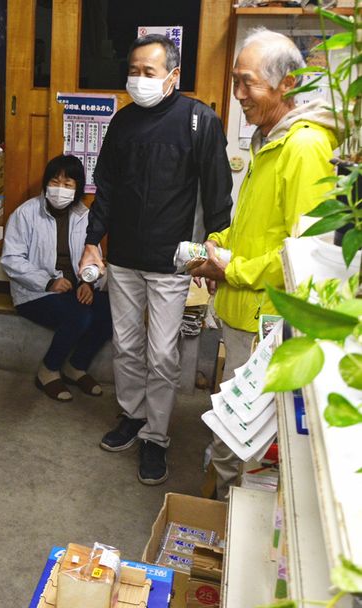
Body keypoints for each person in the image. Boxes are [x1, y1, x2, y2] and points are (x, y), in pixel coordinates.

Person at [190, 28, 339, 500]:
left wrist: (231, 270)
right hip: (239, 314)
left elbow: (305, 253)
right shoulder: (267, 140)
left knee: (246, 440)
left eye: (247, 83)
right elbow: (256, 225)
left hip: (264, 324)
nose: (238, 94)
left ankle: (230, 523)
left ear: (286, 84)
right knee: (231, 427)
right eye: (235, 80)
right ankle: (222, 507)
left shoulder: (304, 148)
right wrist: (217, 244)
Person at [78, 34, 233, 485]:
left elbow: (218, 195)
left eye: (149, 71)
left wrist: (216, 256)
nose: (139, 79)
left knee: (163, 354)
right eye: (134, 70)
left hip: (172, 261)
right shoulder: (122, 124)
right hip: (123, 257)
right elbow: (104, 187)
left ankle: (156, 436)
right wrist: (93, 241)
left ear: (173, 76)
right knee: (126, 346)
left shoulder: (199, 122)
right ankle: (131, 415)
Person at [1, 154, 113, 401]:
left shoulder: (86, 216)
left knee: (111, 311)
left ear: (78, 188)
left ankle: (76, 366)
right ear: (46, 183)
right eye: (55, 181)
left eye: (68, 184)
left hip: (74, 289)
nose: (60, 189)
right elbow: (11, 259)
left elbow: (94, 258)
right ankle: (49, 370)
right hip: (34, 294)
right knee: (80, 315)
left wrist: (88, 282)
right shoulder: (26, 214)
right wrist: (48, 282)